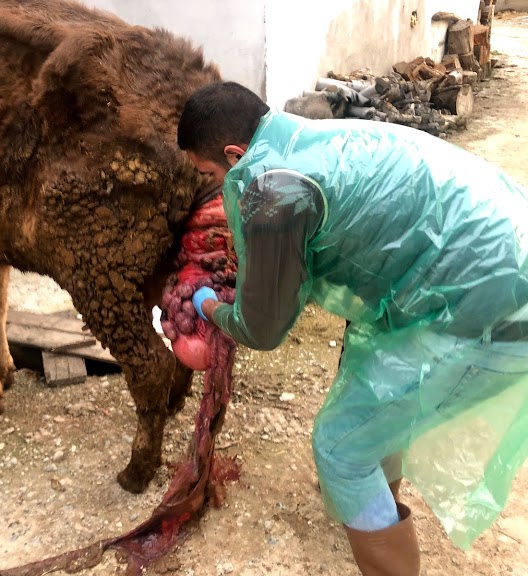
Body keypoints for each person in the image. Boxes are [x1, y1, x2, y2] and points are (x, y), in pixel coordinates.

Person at [178, 81, 528, 576]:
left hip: (492, 305)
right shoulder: (302, 138)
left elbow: (263, 328)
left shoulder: (274, 189)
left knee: (341, 446)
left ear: (235, 153)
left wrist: (212, 306)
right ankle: (372, 504)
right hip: (496, 256)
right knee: (370, 400)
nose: (215, 185)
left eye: (211, 173)